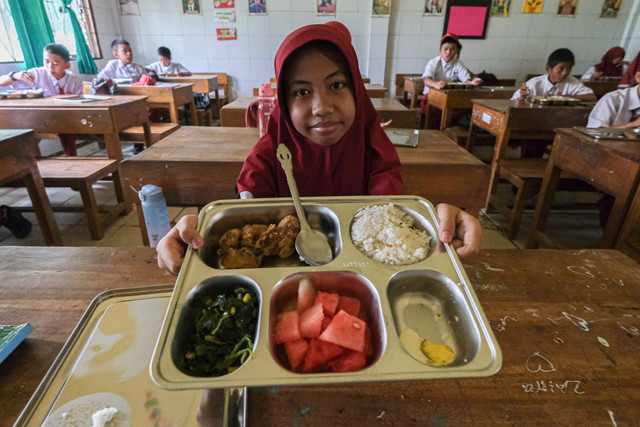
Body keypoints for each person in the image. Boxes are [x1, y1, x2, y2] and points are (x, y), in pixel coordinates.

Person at [157, 22, 482, 278]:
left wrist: (440, 225)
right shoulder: (270, 152)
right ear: (284, 102)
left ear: (357, 90)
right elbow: (244, 208)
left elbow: (390, 213)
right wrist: (194, 237)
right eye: (301, 91)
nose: (321, 107)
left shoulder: (375, 149)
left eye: (336, 85)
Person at [0, 43, 83, 156]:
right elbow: (2, 82)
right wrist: (14, 76)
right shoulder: (36, 74)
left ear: (67, 65)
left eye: (55, 63)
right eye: (46, 62)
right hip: (39, 118)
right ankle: (28, 165)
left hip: (65, 117)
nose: (49, 67)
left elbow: (79, 106)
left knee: (66, 123)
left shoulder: (74, 81)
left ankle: (72, 157)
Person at [420, 33, 482, 128]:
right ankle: (435, 134)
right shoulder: (433, 62)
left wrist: (472, 83)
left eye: (452, 49)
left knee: (462, 110)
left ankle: (449, 134)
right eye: (445, 49)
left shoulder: (458, 63)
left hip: (450, 97)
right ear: (440, 51)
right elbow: (426, 80)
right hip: (431, 97)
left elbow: (466, 80)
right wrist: (436, 84)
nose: (448, 52)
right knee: (436, 113)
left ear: (456, 51)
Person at [512, 48, 596, 102]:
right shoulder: (534, 83)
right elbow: (512, 102)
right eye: (561, 68)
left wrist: (562, 97)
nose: (565, 73)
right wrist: (521, 98)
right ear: (548, 69)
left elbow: (592, 97)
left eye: (569, 68)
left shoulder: (572, 81)